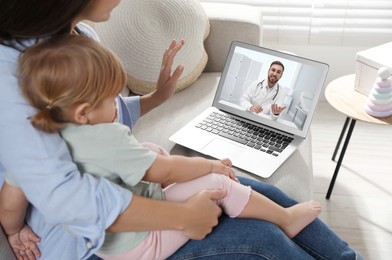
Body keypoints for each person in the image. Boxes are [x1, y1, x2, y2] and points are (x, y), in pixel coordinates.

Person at [0, 1, 362, 259]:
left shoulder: (77, 34)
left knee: (262, 191)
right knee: (261, 236)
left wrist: (157, 98)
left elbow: (101, 122)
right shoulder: (14, 76)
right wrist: (184, 216)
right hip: (94, 242)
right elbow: (71, 197)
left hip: (130, 188)